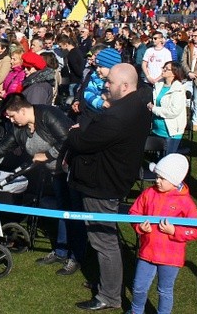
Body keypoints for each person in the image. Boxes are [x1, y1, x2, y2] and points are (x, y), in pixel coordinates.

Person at [62, 63, 152, 311]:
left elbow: (82, 141)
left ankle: (110, 295)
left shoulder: (117, 116)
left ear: (125, 86)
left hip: (102, 183)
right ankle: (106, 284)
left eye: (110, 82)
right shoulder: (137, 104)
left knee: (104, 240)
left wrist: (75, 132)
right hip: (114, 176)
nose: (105, 85)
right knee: (104, 238)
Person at [0, 94, 85, 276]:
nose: (10, 120)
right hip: (55, 173)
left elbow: (67, 139)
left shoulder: (49, 115)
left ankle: (76, 257)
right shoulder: (20, 128)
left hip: (73, 171)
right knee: (62, 211)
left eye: (11, 116)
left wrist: (47, 156)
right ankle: (61, 251)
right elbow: (2, 148)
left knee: (74, 214)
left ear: (23, 110)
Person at [127, 154, 197, 314]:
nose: (157, 181)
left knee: (165, 290)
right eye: (157, 177)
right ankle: (136, 311)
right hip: (147, 252)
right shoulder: (149, 193)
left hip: (170, 257)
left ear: (175, 181)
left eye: (162, 178)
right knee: (139, 287)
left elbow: (196, 230)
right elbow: (134, 212)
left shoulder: (186, 202)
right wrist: (140, 226)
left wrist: (174, 231)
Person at [147, 61, 188, 155]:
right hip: (157, 129)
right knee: (157, 160)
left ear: (174, 73)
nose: (164, 70)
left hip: (170, 132)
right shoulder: (158, 85)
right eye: (164, 67)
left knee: (166, 162)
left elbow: (173, 111)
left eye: (167, 69)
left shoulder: (178, 90)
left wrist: (154, 109)